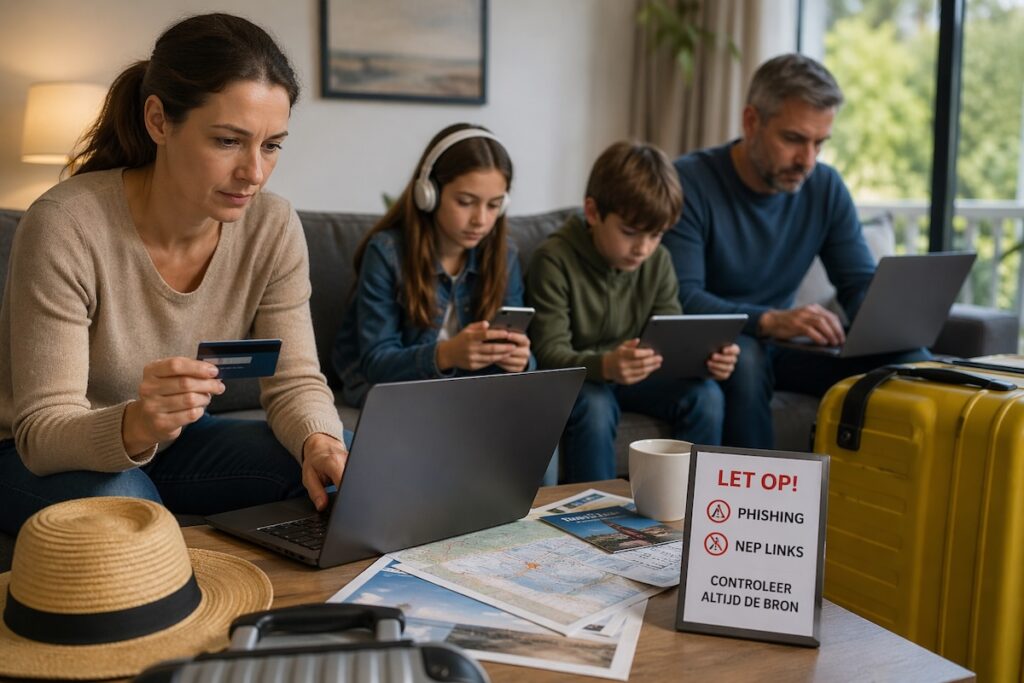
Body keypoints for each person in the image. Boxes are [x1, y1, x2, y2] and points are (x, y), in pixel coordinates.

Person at [0, 13, 348, 535]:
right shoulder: (66, 224)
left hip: (179, 439)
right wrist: (137, 422)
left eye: (272, 145)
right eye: (228, 141)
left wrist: (320, 440)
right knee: (131, 513)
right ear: (159, 120)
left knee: (344, 472)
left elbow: (295, 379)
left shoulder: (272, 226)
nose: (254, 173)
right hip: (37, 458)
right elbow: (42, 430)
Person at [662, 53, 929, 449]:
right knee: (747, 358)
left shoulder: (825, 186)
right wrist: (769, 320)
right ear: (751, 121)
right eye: (794, 139)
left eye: (820, 143)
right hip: (722, 350)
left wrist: (886, 324)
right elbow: (683, 297)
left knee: (913, 360)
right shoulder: (688, 183)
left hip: (789, 350)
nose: (808, 160)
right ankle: (755, 506)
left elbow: (856, 283)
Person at [526, 141, 738, 483]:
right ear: (593, 213)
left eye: (656, 235)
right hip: (583, 379)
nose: (643, 248)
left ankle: (694, 512)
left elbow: (669, 336)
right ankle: (593, 519)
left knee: (706, 397)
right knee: (595, 407)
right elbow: (548, 355)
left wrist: (703, 361)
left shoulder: (658, 260)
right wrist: (606, 365)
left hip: (639, 376)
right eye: (630, 232)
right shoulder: (554, 259)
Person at [332, 123, 532, 408]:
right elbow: (376, 363)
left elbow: (518, 360)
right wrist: (446, 354)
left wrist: (522, 361)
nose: (481, 220)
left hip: (465, 389)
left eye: (493, 205)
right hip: (388, 387)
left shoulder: (504, 255)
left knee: (531, 414)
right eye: (466, 202)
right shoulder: (387, 253)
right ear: (428, 194)